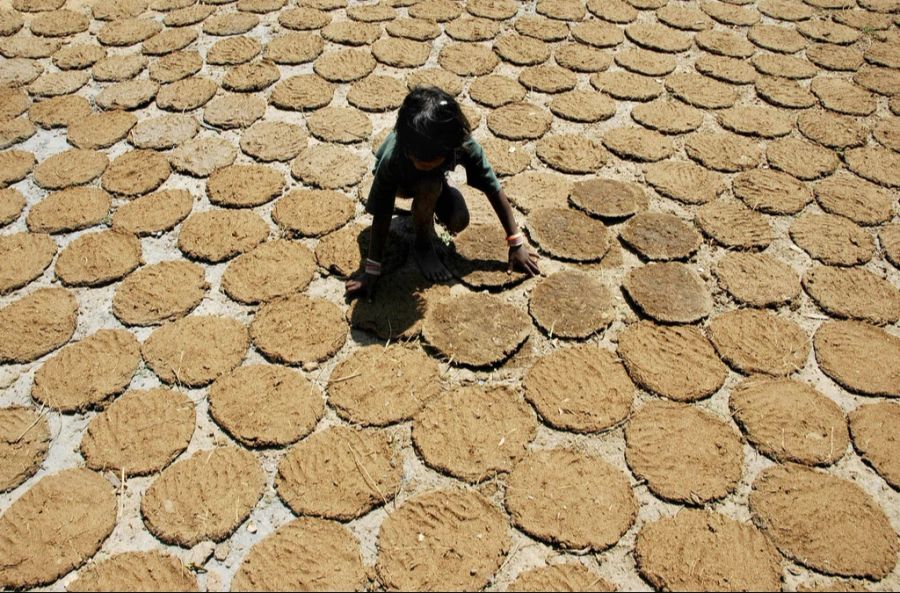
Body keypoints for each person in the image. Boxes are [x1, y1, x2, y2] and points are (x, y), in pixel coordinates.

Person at [346, 86, 540, 300]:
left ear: (449, 149)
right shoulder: (394, 158)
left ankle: (433, 196)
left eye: (429, 162)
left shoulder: (462, 144)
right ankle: (423, 244)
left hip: (434, 182)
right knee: (428, 184)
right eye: (418, 160)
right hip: (401, 184)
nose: (422, 163)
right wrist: (371, 271)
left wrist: (516, 242)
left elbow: (492, 187)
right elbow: (382, 214)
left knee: (458, 219)